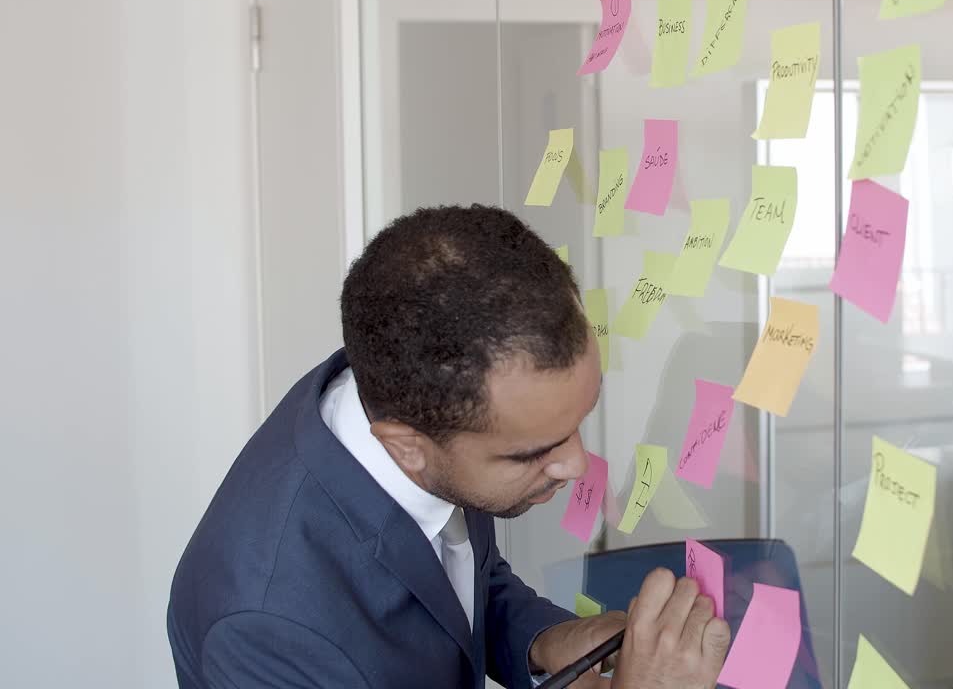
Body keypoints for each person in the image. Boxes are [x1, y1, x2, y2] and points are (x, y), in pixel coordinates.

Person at [167, 205, 731, 688]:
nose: (576, 464)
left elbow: (452, 580)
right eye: (531, 452)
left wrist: (553, 639)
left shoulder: (401, 392)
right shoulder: (269, 628)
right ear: (408, 447)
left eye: (580, 419)